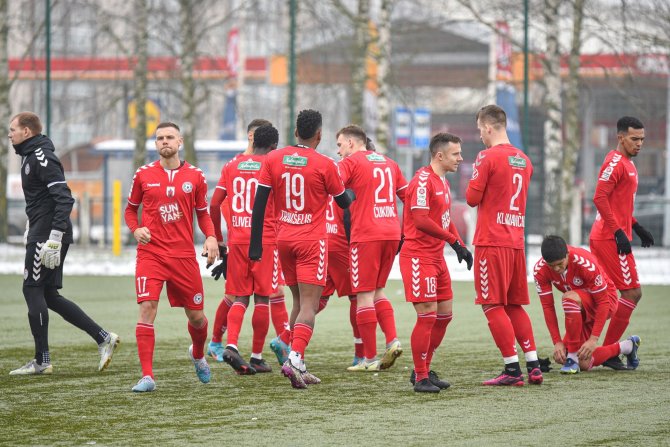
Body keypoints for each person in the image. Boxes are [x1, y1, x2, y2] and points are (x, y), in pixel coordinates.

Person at [7, 112, 119, 376]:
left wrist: (54, 238)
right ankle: (103, 337)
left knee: (32, 289)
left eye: (12, 129)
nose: (9, 134)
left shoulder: (42, 157)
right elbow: (40, 199)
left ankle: (42, 360)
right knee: (48, 295)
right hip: (42, 230)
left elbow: (65, 199)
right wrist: (29, 225)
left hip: (48, 235)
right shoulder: (29, 156)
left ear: (26, 131)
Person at [249, 109, 354, 389]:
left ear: (296, 133)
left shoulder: (273, 158)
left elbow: (259, 204)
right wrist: (352, 192)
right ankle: (294, 359)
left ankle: (299, 360)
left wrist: (256, 244)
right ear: (319, 135)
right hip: (311, 242)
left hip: (284, 239)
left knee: (297, 302)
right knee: (309, 305)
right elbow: (343, 202)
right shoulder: (325, 164)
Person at [125, 122, 220, 392]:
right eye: (159, 138)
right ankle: (147, 376)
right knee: (147, 309)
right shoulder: (143, 175)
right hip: (151, 254)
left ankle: (198, 354)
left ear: (180, 142)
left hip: (182, 256)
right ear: (155, 145)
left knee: (197, 317)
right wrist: (136, 228)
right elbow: (130, 211)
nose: (164, 141)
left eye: (169, 137)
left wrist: (211, 236)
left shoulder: (196, 176)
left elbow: (202, 212)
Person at [465, 105, 543, 386]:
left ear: (488, 127)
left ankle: (512, 370)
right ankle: (533, 365)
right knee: (514, 305)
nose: (480, 136)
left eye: (479, 130)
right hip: (515, 242)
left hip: (491, 241)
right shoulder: (524, 159)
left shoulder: (486, 157)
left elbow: (472, 198)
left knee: (491, 304)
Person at [207, 119, 290, 368]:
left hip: (238, 240)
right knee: (263, 298)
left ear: (253, 141)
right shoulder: (275, 165)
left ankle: (230, 345)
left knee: (240, 297)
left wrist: (219, 239)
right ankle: (256, 356)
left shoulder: (232, 165)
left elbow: (214, 204)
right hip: (265, 240)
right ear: (274, 145)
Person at [400, 133, 473, 393]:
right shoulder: (422, 181)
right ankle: (420, 377)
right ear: (439, 156)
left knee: (445, 316)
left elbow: (443, 218)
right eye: (456, 154)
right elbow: (420, 220)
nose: (461, 158)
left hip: (436, 257)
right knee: (427, 316)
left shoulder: (442, 181)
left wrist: (459, 244)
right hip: (419, 257)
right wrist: (453, 242)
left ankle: (424, 368)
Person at [336, 125, 406, 372]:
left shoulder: (351, 162)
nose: (339, 151)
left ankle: (368, 359)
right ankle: (393, 339)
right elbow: (407, 197)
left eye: (340, 145)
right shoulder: (390, 163)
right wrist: (404, 231)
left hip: (366, 234)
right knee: (378, 291)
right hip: (391, 232)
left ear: (352, 143)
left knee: (364, 295)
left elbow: (332, 187)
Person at [589, 116, 652, 370]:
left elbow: (619, 204)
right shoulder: (615, 162)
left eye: (642, 140)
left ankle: (597, 349)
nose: (639, 144)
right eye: (634, 139)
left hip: (613, 235)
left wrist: (636, 226)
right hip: (608, 238)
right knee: (632, 292)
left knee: (613, 295)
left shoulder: (628, 164)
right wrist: (618, 232)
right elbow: (599, 198)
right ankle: (609, 352)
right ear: (620, 137)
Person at [534, 235, 641, 373]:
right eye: (551, 265)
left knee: (569, 298)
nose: (556, 269)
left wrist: (593, 340)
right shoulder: (540, 270)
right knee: (584, 363)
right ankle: (628, 346)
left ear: (567, 254)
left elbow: (603, 302)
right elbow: (548, 307)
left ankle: (572, 359)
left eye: (560, 263)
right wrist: (557, 342)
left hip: (606, 300)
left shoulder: (585, 262)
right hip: (580, 308)